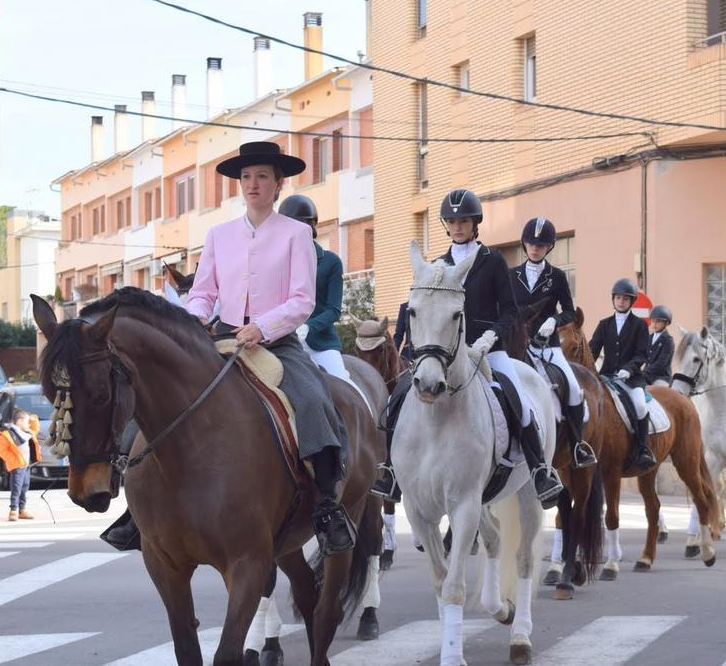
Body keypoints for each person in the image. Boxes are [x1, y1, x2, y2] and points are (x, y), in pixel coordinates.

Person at [103, 141, 354, 555]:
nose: (253, 184)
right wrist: (196, 317)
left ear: (278, 184)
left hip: (276, 341)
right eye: (246, 177)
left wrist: (263, 327)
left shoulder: (296, 235)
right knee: (152, 395)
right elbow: (202, 292)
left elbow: (302, 300)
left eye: (261, 177)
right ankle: (135, 501)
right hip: (218, 336)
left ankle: (326, 507)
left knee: (312, 400)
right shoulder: (219, 235)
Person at [372, 188, 564, 508]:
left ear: (475, 223)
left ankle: (540, 470)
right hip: (445, 353)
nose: (457, 226)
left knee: (520, 401)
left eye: (463, 220)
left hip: (489, 350)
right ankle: (391, 470)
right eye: (452, 221)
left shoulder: (493, 261)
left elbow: (510, 311)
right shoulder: (438, 265)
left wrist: (490, 338)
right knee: (400, 396)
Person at [510, 216, 596, 468]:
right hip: (516, 346)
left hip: (547, 346)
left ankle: (579, 444)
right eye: (531, 243)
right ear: (524, 244)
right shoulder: (511, 275)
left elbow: (569, 311)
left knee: (571, 387)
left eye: (541, 244)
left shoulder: (557, 277)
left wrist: (554, 321)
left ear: (549, 247)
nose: (535, 248)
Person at [279, 193, 351, 382]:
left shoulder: (330, 262)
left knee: (343, 384)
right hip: (284, 343)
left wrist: (308, 327)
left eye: (302, 225)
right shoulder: (275, 263)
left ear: (312, 226)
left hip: (321, 344)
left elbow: (333, 310)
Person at [589, 279, 657, 472]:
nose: (621, 301)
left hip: (631, 378)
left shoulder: (639, 325)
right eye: (618, 298)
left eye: (625, 299)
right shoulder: (604, 324)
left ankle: (643, 449)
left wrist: (629, 368)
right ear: (613, 300)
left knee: (640, 405)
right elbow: (592, 350)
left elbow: (642, 353)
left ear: (631, 302)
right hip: (607, 377)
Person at [0, 409, 41, 521]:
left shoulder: (27, 433)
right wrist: (13, 460)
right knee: (16, 488)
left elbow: (35, 429)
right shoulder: (8, 434)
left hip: (26, 465)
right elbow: (0, 449)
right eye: (27, 422)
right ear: (20, 422)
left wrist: (32, 418)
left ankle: (22, 509)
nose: (29, 424)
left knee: (25, 487)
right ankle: (13, 510)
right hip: (17, 465)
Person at [645, 305, 675, 387]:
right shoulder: (649, 338)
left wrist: (645, 371)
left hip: (661, 377)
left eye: (658, 321)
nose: (654, 324)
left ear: (666, 323)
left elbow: (661, 363)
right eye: (653, 321)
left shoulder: (668, 340)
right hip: (647, 375)